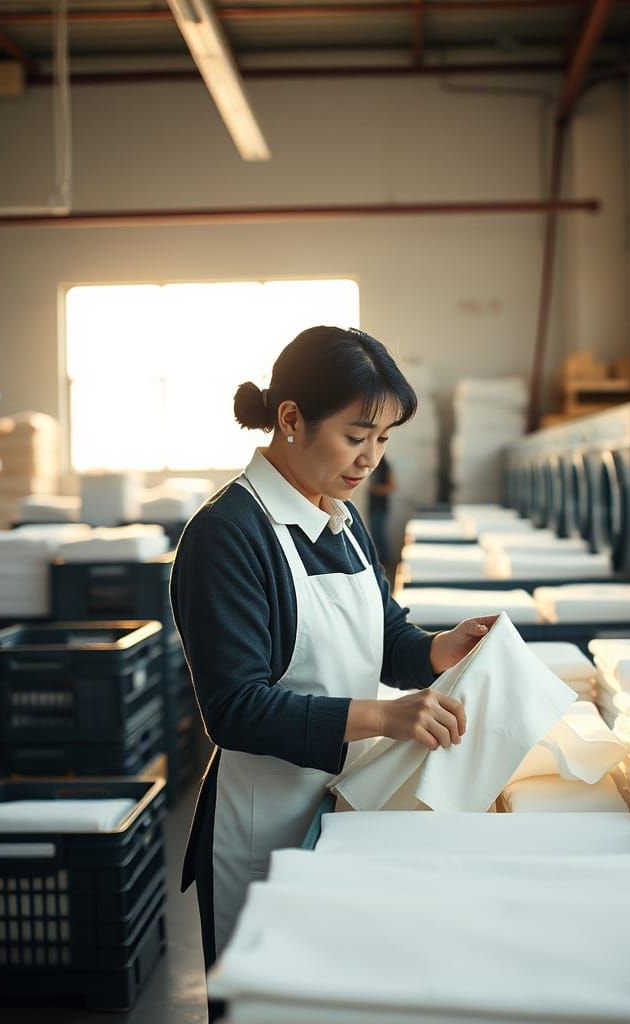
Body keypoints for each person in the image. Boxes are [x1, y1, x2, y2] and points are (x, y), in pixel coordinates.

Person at [169, 326, 495, 1020]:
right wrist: (382, 716)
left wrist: (443, 649)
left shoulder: (341, 519)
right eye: (356, 436)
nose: (370, 459)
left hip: (340, 807)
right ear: (291, 419)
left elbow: (387, 638)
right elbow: (235, 709)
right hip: (262, 826)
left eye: (383, 439)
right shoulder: (228, 534)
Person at [367, 455, 395, 568]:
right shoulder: (372, 466)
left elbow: (392, 486)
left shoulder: (385, 466)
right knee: (374, 534)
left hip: (380, 506)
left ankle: (384, 562)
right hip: (372, 506)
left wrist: (374, 489)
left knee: (379, 535)